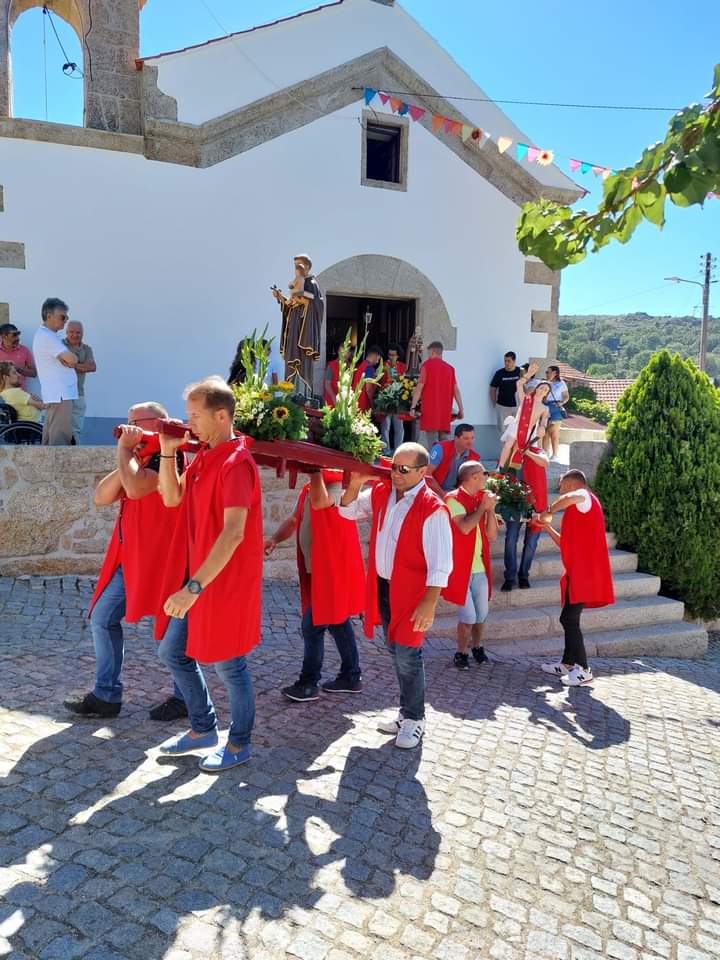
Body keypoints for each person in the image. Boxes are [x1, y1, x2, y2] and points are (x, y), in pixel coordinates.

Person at [154, 376, 264, 772]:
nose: (190, 423)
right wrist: (169, 453)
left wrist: (193, 587)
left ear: (221, 415)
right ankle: (203, 729)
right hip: (201, 580)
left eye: (196, 416)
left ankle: (240, 742)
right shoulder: (203, 455)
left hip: (224, 583)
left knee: (230, 665)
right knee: (172, 651)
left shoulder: (236, 463)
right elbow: (171, 497)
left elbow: (234, 533)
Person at [64, 402, 188, 721]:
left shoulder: (171, 456)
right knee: (102, 619)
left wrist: (125, 451)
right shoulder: (137, 457)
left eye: (134, 422)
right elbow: (102, 496)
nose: (127, 427)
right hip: (130, 559)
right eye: (127, 421)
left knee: (170, 631)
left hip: (164, 561)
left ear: (155, 424)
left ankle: (185, 697)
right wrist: (126, 453)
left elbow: (134, 488)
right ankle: (106, 696)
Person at [339, 442, 453, 749]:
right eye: (393, 467)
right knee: (396, 651)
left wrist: (429, 603)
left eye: (404, 469)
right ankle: (407, 714)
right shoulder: (381, 493)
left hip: (413, 594)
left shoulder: (433, 508)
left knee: (407, 654)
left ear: (422, 472)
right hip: (384, 586)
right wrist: (354, 483)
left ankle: (415, 719)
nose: (396, 473)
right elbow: (347, 510)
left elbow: (442, 562)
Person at [265, 470, 365, 701]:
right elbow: (294, 520)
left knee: (313, 626)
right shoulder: (309, 488)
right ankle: (351, 676)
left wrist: (314, 469)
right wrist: (274, 540)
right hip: (319, 571)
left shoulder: (338, 486)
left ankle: (309, 683)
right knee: (338, 622)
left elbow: (322, 504)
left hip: (333, 573)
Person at [537, 470, 615, 686]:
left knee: (569, 619)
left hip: (585, 573)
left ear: (572, 485)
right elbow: (566, 543)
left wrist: (549, 511)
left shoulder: (584, 497)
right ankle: (568, 663)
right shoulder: (581, 505)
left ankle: (584, 669)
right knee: (569, 619)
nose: (560, 490)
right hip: (578, 572)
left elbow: (569, 498)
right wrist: (548, 527)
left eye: (562, 486)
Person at [443, 462, 498, 669]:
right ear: (473, 477)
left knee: (481, 616)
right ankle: (461, 652)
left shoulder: (480, 498)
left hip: (480, 568)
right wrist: (483, 507)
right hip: (460, 568)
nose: (487, 477)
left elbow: (491, 535)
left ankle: (477, 647)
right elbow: (465, 528)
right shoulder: (452, 499)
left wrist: (490, 510)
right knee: (468, 617)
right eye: (484, 473)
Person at [501, 442, 549, 591]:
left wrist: (527, 452)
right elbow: (501, 469)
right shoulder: (510, 451)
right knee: (510, 540)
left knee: (531, 543)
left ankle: (523, 576)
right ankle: (510, 577)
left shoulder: (538, 450)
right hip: (515, 504)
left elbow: (544, 462)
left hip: (537, 504)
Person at [274, 254, 324, 394]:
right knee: (291, 360)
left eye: (299, 264)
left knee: (302, 361)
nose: (296, 268)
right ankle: (288, 397)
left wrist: (304, 300)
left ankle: (304, 394)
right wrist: (281, 298)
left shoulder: (312, 283)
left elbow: (317, 304)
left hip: (304, 332)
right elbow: (291, 304)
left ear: (307, 266)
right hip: (293, 330)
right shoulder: (298, 282)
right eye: (295, 264)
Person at [32, 298, 78, 446]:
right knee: (60, 438)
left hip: (57, 393)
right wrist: (70, 359)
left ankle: (47, 468)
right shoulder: (47, 337)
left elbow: (67, 360)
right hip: (60, 394)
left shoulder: (47, 335)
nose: (65, 321)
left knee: (50, 435)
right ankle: (58, 469)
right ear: (49, 315)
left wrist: (67, 359)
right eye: (63, 317)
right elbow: (72, 359)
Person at [497, 363, 551, 470]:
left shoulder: (545, 408)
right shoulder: (526, 399)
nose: (542, 391)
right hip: (517, 425)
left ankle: (510, 470)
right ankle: (500, 467)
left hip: (528, 430)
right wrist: (529, 374)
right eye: (541, 388)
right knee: (508, 445)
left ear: (547, 394)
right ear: (536, 389)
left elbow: (543, 421)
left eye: (545, 390)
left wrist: (542, 427)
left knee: (517, 450)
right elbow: (518, 384)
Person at [410, 341, 463, 447]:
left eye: (429, 353)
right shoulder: (450, 369)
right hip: (445, 412)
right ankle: (446, 463)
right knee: (445, 444)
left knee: (433, 445)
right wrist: (461, 409)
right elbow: (456, 390)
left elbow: (420, 387)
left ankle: (435, 463)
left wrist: (413, 407)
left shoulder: (427, 365)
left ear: (433, 352)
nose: (429, 356)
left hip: (430, 412)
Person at [426, 422, 481, 497]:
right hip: (433, 491)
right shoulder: (440, 448)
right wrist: (442, 493)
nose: (470, 442)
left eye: (472, 438)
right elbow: (427, 474)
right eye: (466, 438)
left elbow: (474, 481)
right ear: (456, 438)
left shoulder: (474, 457)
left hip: (456, 493)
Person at [63, 320, 96, 444]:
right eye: (71, 332)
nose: (74, 335)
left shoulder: (86, 349)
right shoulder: (60, 345)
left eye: (78, 332)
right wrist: (83, 366)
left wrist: (72, 364)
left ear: (82, 334)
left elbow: (93, 367)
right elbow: (59, 365)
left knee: (76, 428)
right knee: (61, 427)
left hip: (78, 392)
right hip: (62, 393)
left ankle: (75, 451)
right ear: (66, 332)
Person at [379, 343, 407, 454]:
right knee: (385, 426)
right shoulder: (384, 365)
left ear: (398, 356)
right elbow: (380, 380)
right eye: (389, 354)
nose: (391, 357)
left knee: (399, 427)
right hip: (385, 398)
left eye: (393, 355)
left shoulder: (403, 366)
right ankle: (385, 450)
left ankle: (398, 450)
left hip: (399, 399)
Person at [490, 352, 522, 432]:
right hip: (502, 406)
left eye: (508, 361)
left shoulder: (520, 372)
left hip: (517, 406)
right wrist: (494, 403)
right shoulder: (499, 373)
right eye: (505, 361)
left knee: (516, 431)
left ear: (514, 361)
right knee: (502, 431)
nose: (506, 363)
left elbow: (526, 385)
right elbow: (493, 388)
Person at [542, 365, 569, 462]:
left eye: (548, 372)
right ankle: (545, 453)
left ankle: (555, 455)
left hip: (556, 408)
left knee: (553, 432)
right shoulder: (544, 383)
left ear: (555, 373)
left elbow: (566, 396)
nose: (546, 373)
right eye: (546, 372)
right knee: (544, 432)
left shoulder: (561, 383)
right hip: (545, 407)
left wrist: (561, 403)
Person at [0, 323, 36, 389]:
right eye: (14, 335)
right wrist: (4, 367)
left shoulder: (24, 350)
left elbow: (34, 373)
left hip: (20, 394)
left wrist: (17, 369)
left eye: (18, 334)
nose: (18, 338)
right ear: (3, 336)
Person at [353, 344, 382, 412]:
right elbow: (368, 389)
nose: (377, 362)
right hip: (364, 405)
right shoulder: (369, 368)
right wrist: (372, 405)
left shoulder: (361, 366)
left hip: (356, 403)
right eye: (378, 359)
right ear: (374, 355)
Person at [323, 342, 351, 407]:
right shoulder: (331, 365)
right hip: (332, 402)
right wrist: (334, 398)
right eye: (342, 352)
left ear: (349, 354)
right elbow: (327, 385)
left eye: (346, 353)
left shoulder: (350, 367)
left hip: (345, 402)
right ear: (338, 352)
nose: (344, 355)